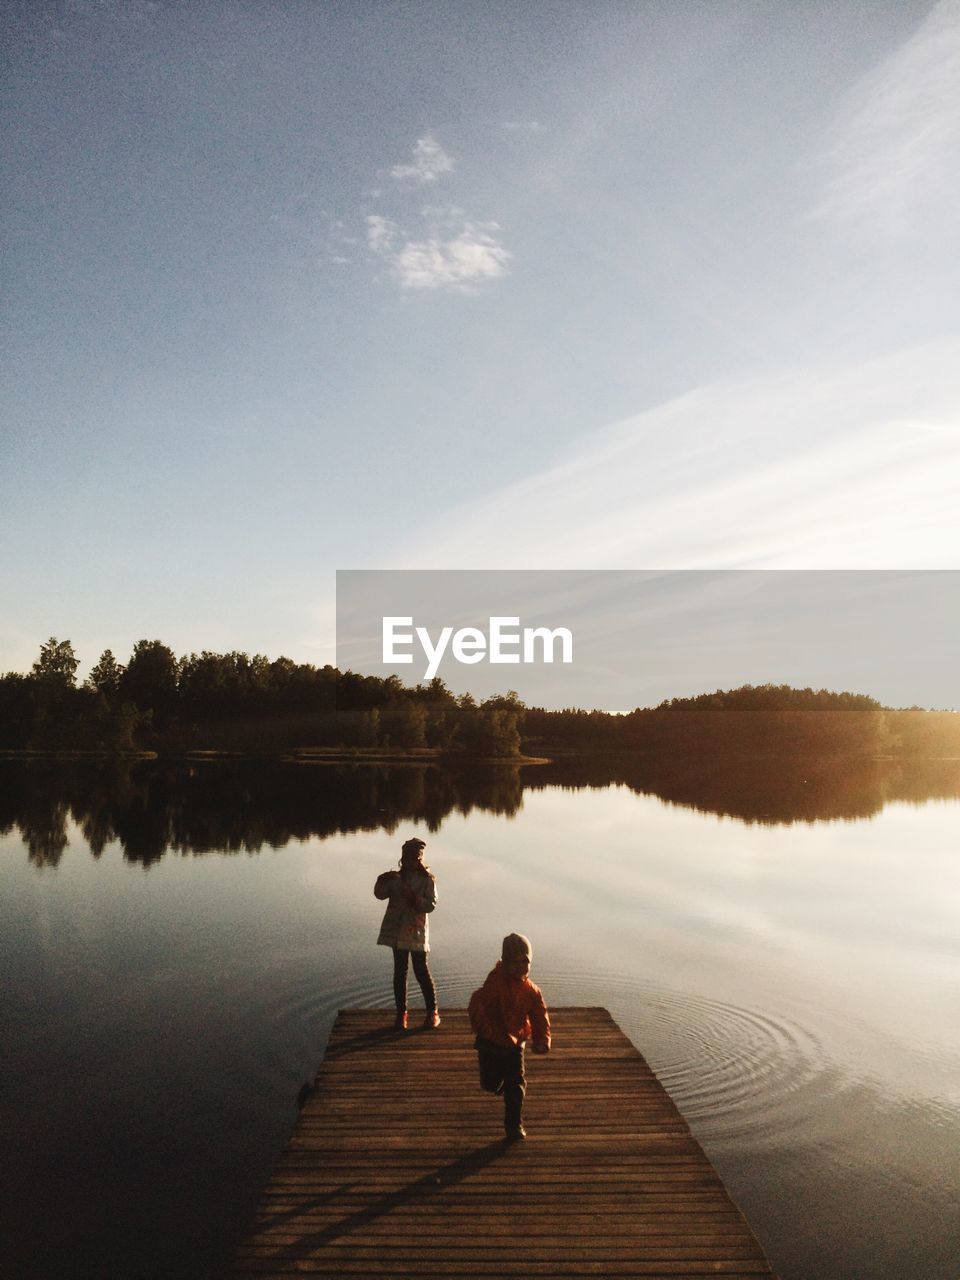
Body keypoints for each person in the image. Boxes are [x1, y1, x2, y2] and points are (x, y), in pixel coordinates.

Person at [468, 932, 550, 1140]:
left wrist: (541, 1039)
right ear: (504, 962)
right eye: (514, 962)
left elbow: (539, 1016)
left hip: (515, 1044)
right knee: (489, 1083)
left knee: (517, 1085)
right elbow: (478, 1004)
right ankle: (502, 1086)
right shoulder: (495, 982)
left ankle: (514, 1125)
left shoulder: (531, 991)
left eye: (525, 962)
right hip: (490, 1042)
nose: (520, 967)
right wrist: (481, 1027)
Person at [374, 836, 439, 1030]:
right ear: (403, 859)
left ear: (420, 859)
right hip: (396, 931)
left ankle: (432, 1012)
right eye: (407, 858)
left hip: (417, 933)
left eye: (414, 859)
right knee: (399, 972)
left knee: (421, 971)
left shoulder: (427, 880)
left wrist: (415, 898)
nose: (410, 863)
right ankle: (401, 1014)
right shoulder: (396, 878)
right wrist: (381, 879)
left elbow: (431, 905)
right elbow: (379, 894)